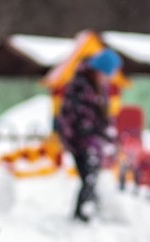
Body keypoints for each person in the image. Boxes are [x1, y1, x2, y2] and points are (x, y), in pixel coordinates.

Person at [56, 47, 122, 222]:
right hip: (79, 139)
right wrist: (91, 133)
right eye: (107, 73)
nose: (108, 78)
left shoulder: (99, 87)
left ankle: (89, 208)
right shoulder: (81, 86)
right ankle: (83, 212)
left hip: (92, 139)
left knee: (91, 176)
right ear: (98, 71)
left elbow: (103, 116)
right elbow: (77, 117)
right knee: (88, 175)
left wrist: (109, 134)